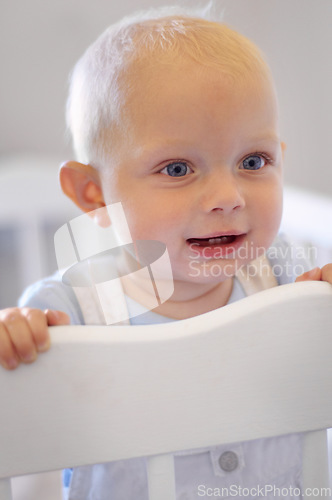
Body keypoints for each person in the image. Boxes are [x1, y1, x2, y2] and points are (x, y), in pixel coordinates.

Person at [0, 6, 331, 499]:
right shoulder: (71, 308)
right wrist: (13, 333)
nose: (228, 196)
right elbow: (19, 375)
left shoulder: (288, 275)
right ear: (94, 194)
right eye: (177, 169)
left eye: (253, 161)